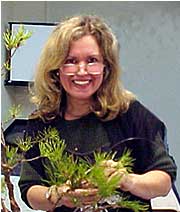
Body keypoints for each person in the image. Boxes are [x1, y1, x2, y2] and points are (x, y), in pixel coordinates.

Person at [18, 15, 177, 212]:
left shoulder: (130, 113)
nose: (82, 71)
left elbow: (163, 180)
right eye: (71, 61)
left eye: (92, 60)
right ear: (56, 68)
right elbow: (29, 190)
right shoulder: (41, 121)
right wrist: (57, 195)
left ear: (106, 67)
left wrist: (127, 180)